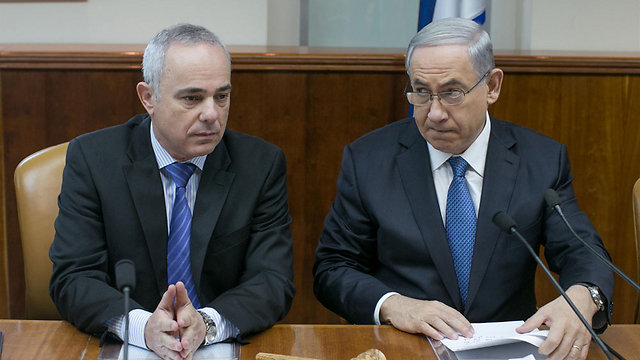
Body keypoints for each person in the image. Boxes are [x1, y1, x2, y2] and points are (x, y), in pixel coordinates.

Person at [313, 17, 613, 360]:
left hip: (511, 350)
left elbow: (582, 251)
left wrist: (582, 296)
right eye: (421, 92)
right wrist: (394, 305)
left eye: (452, 92)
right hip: (404, 348)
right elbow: (333, 269)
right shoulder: (368, 160)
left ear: (492, 87)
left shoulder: (541, 159)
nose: (435, 113)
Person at [49, 23, 295, 360]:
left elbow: (272, 280)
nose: (212, 114)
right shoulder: (93, 160)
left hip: (218, 347)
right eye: (192, 98)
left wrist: (207, 324)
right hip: (127, 346)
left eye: (221, 96)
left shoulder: (260, 165)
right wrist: (143, 327)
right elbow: (73, 278)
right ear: (149, 98)